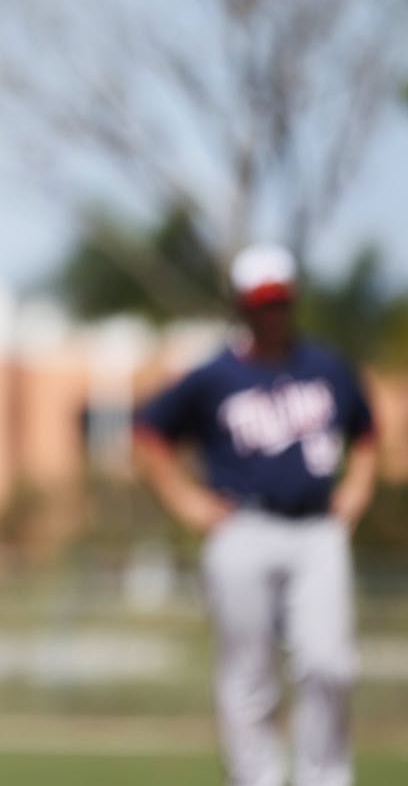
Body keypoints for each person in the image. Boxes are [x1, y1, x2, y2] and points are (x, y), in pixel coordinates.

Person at [133, 243, 377, 786]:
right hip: (243, 529)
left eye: (280, 301)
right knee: (249, 675)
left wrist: (358, 488)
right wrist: (185, 500)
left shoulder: (326, 367)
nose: (272, 312)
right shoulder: (215, 375)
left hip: (318, 531)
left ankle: (325, 777)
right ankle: (256, 778)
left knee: (329, 663)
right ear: (242, 306)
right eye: (262, 302)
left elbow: (367, 431)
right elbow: (149, 432)